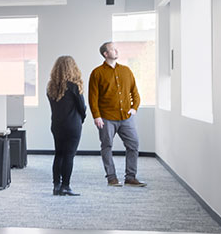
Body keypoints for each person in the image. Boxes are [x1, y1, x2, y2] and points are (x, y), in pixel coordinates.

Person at [87, 41, 147, 188]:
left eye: (116, 49)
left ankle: (130, 177)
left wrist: (134, 108)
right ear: (105, 54)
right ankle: (111, 178)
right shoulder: (97, 73)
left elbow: (135, 93)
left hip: (126, 118)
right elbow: (92, 97)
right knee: (107, 146)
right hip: (106, 118)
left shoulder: (126, 71)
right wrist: (96, 116)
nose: (116, 51)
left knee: (133, 145)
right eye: (113, 49)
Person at [45, 55, 88, 196]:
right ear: (72, 68)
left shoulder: (51, 87)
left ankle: (56, 186)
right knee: (69, 155)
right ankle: (66, 186)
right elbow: (82, 107)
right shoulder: (74, 86)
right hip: (72, 125)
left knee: (58, 154)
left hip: (57, 125)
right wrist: (82, 118)